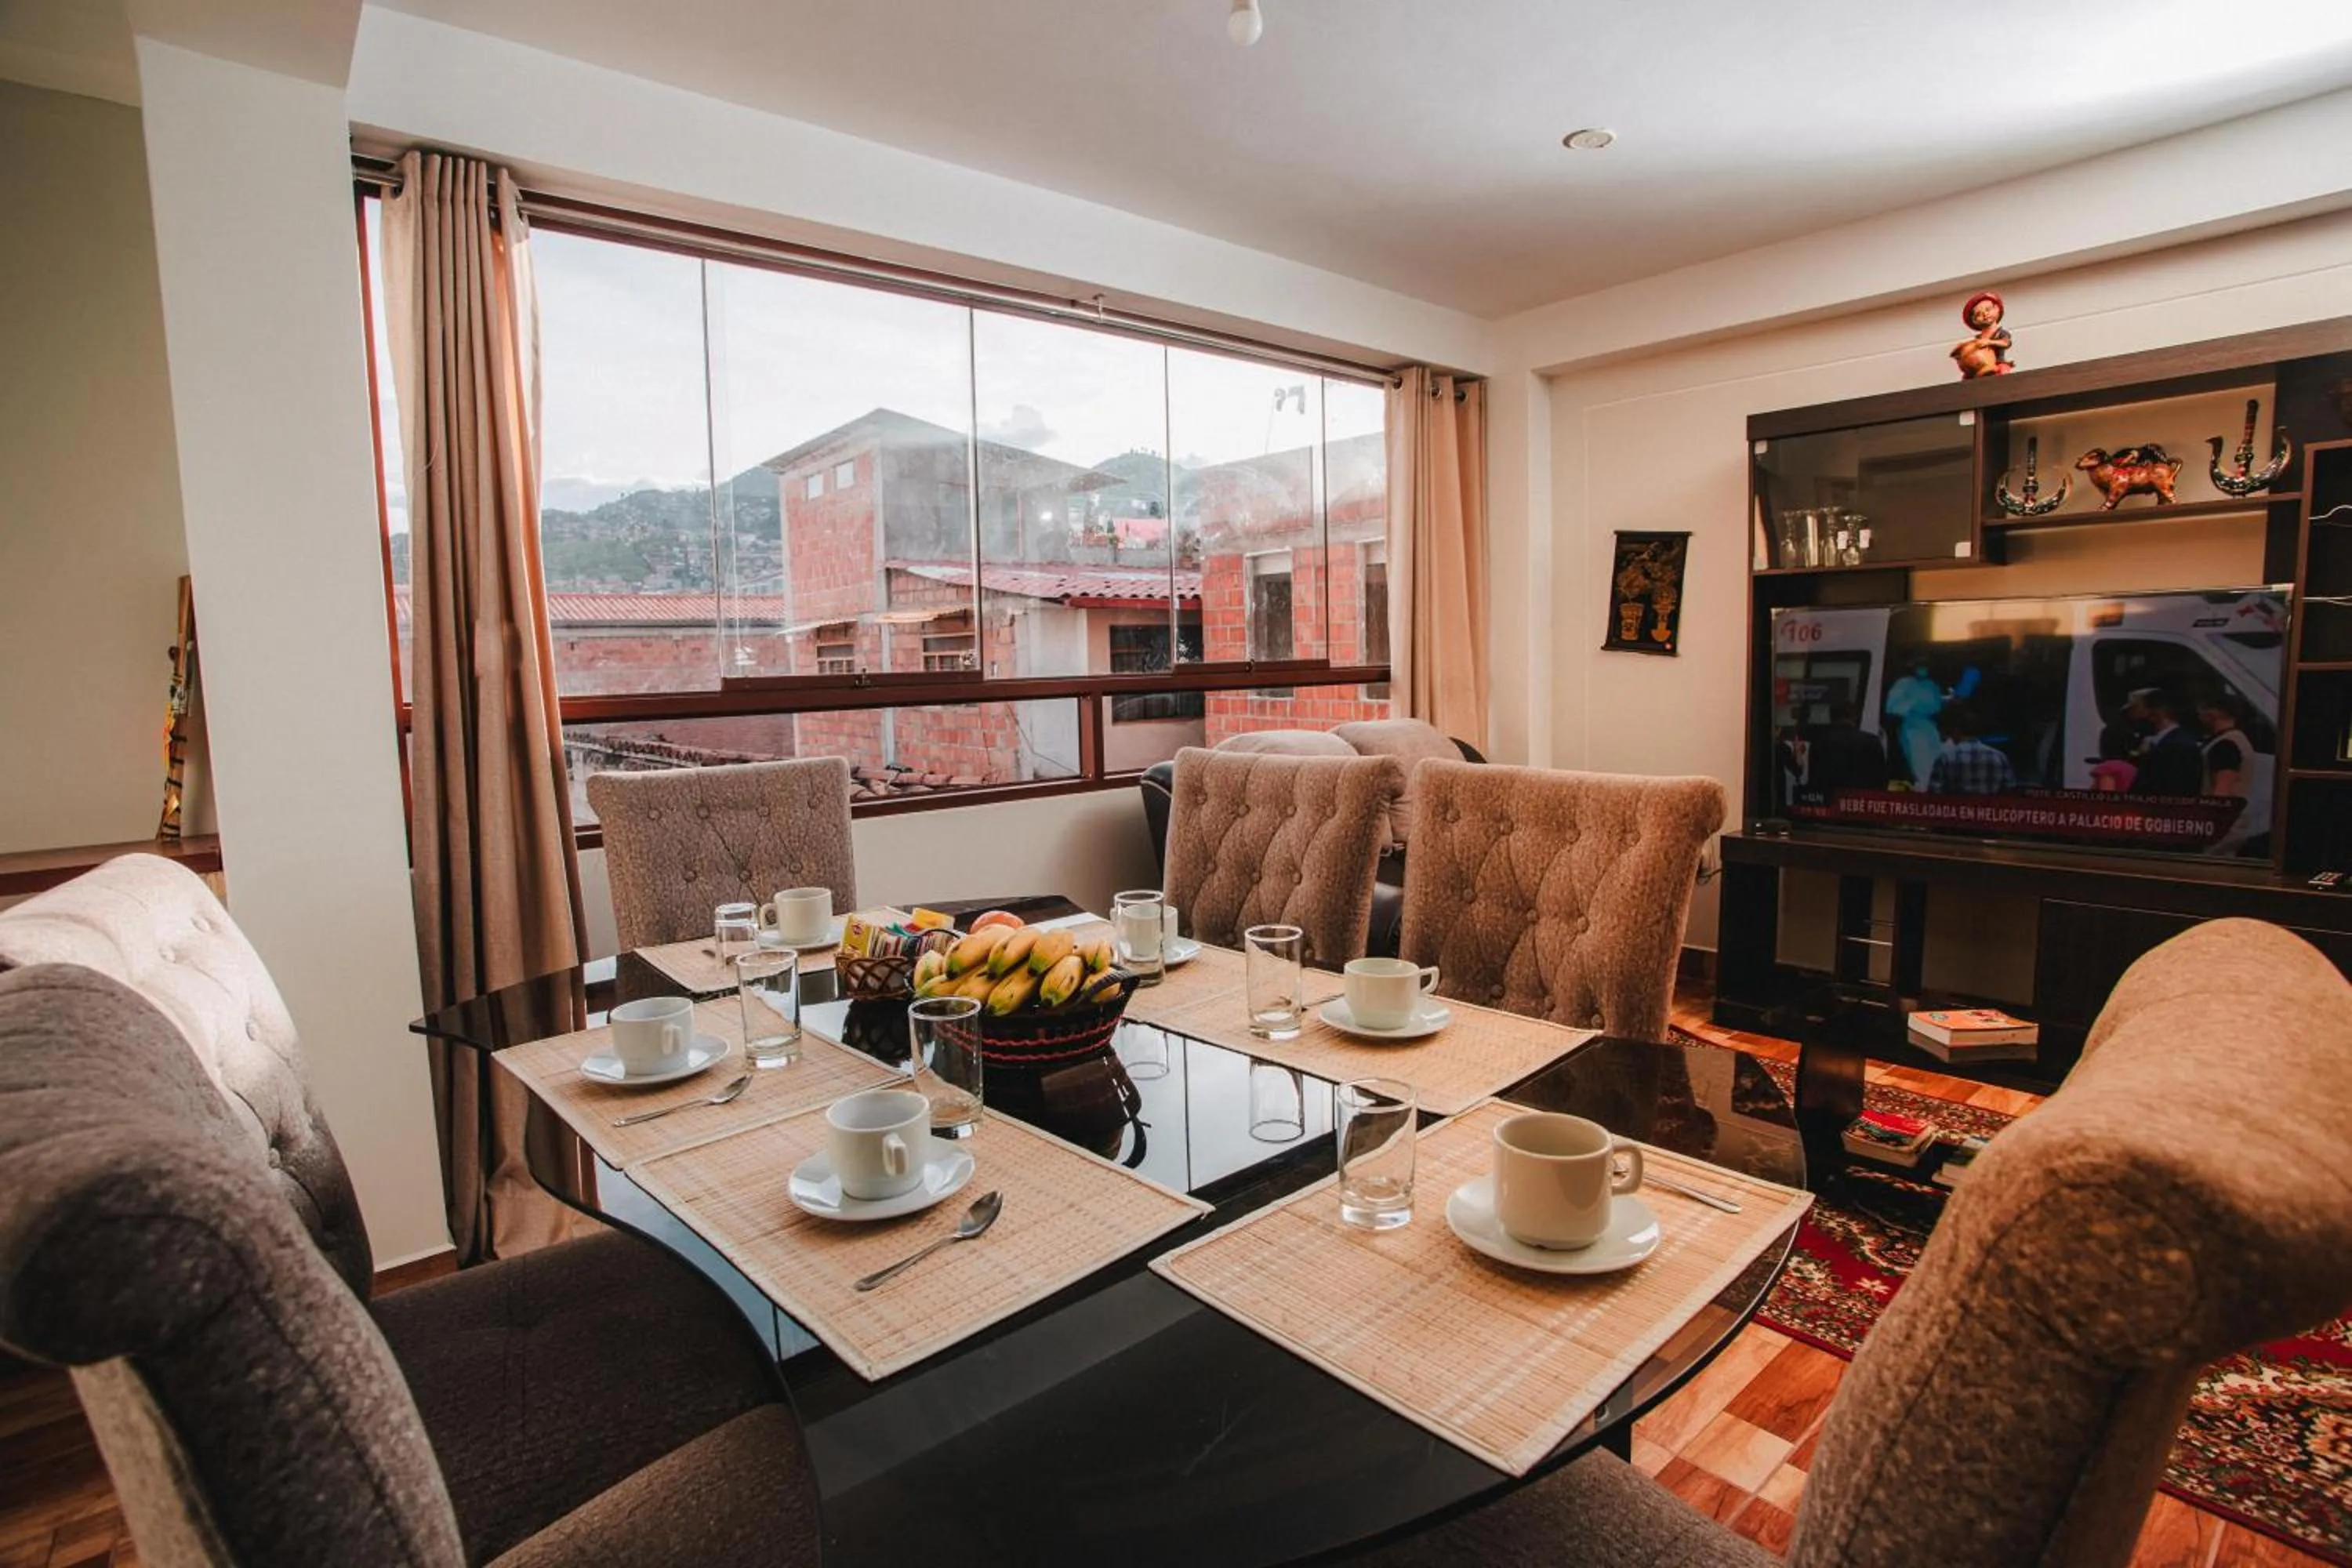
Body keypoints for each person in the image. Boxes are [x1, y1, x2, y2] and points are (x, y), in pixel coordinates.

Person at [2197, 691, 2273, 856]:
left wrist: (2210, 824)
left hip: (2222, 829)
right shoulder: (2238, 740)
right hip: (2232, 825)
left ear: (2215, 713)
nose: (2199, 715)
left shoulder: (2225, 745)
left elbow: (2223, 789)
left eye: (2202, 710)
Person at [1803, 699, 1891, 793]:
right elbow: (1881, 780)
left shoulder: (1820, 742)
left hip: (1831, 800)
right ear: (1854, 717)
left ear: (1831, 717)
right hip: (1861, 800)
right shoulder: (1872, 741)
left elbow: (1814, 780)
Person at [2129, 688, 2205, 798]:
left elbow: (2176, 788)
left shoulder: (2178, 746)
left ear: (2157, 712)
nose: (2137, 714)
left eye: (2142, 708)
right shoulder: (2162, 742)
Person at [1926, 704, 2016, 795]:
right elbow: (2010, 791)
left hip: (1958, 808)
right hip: (1988, 808)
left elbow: (1934, 793)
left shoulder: (1946, 758)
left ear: (1957, 730)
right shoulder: (2000, 757)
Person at [1883, 659, 1945, 788]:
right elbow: (1892, 707)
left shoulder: (1931, 684)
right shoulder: (1903, 683)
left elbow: (1937, 705)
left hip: (1930, 727)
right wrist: (1913, 704)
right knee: (1920, 763)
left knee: (1937, 761)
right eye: (1920, 665)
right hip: (1912, 727)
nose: (1923, 669)